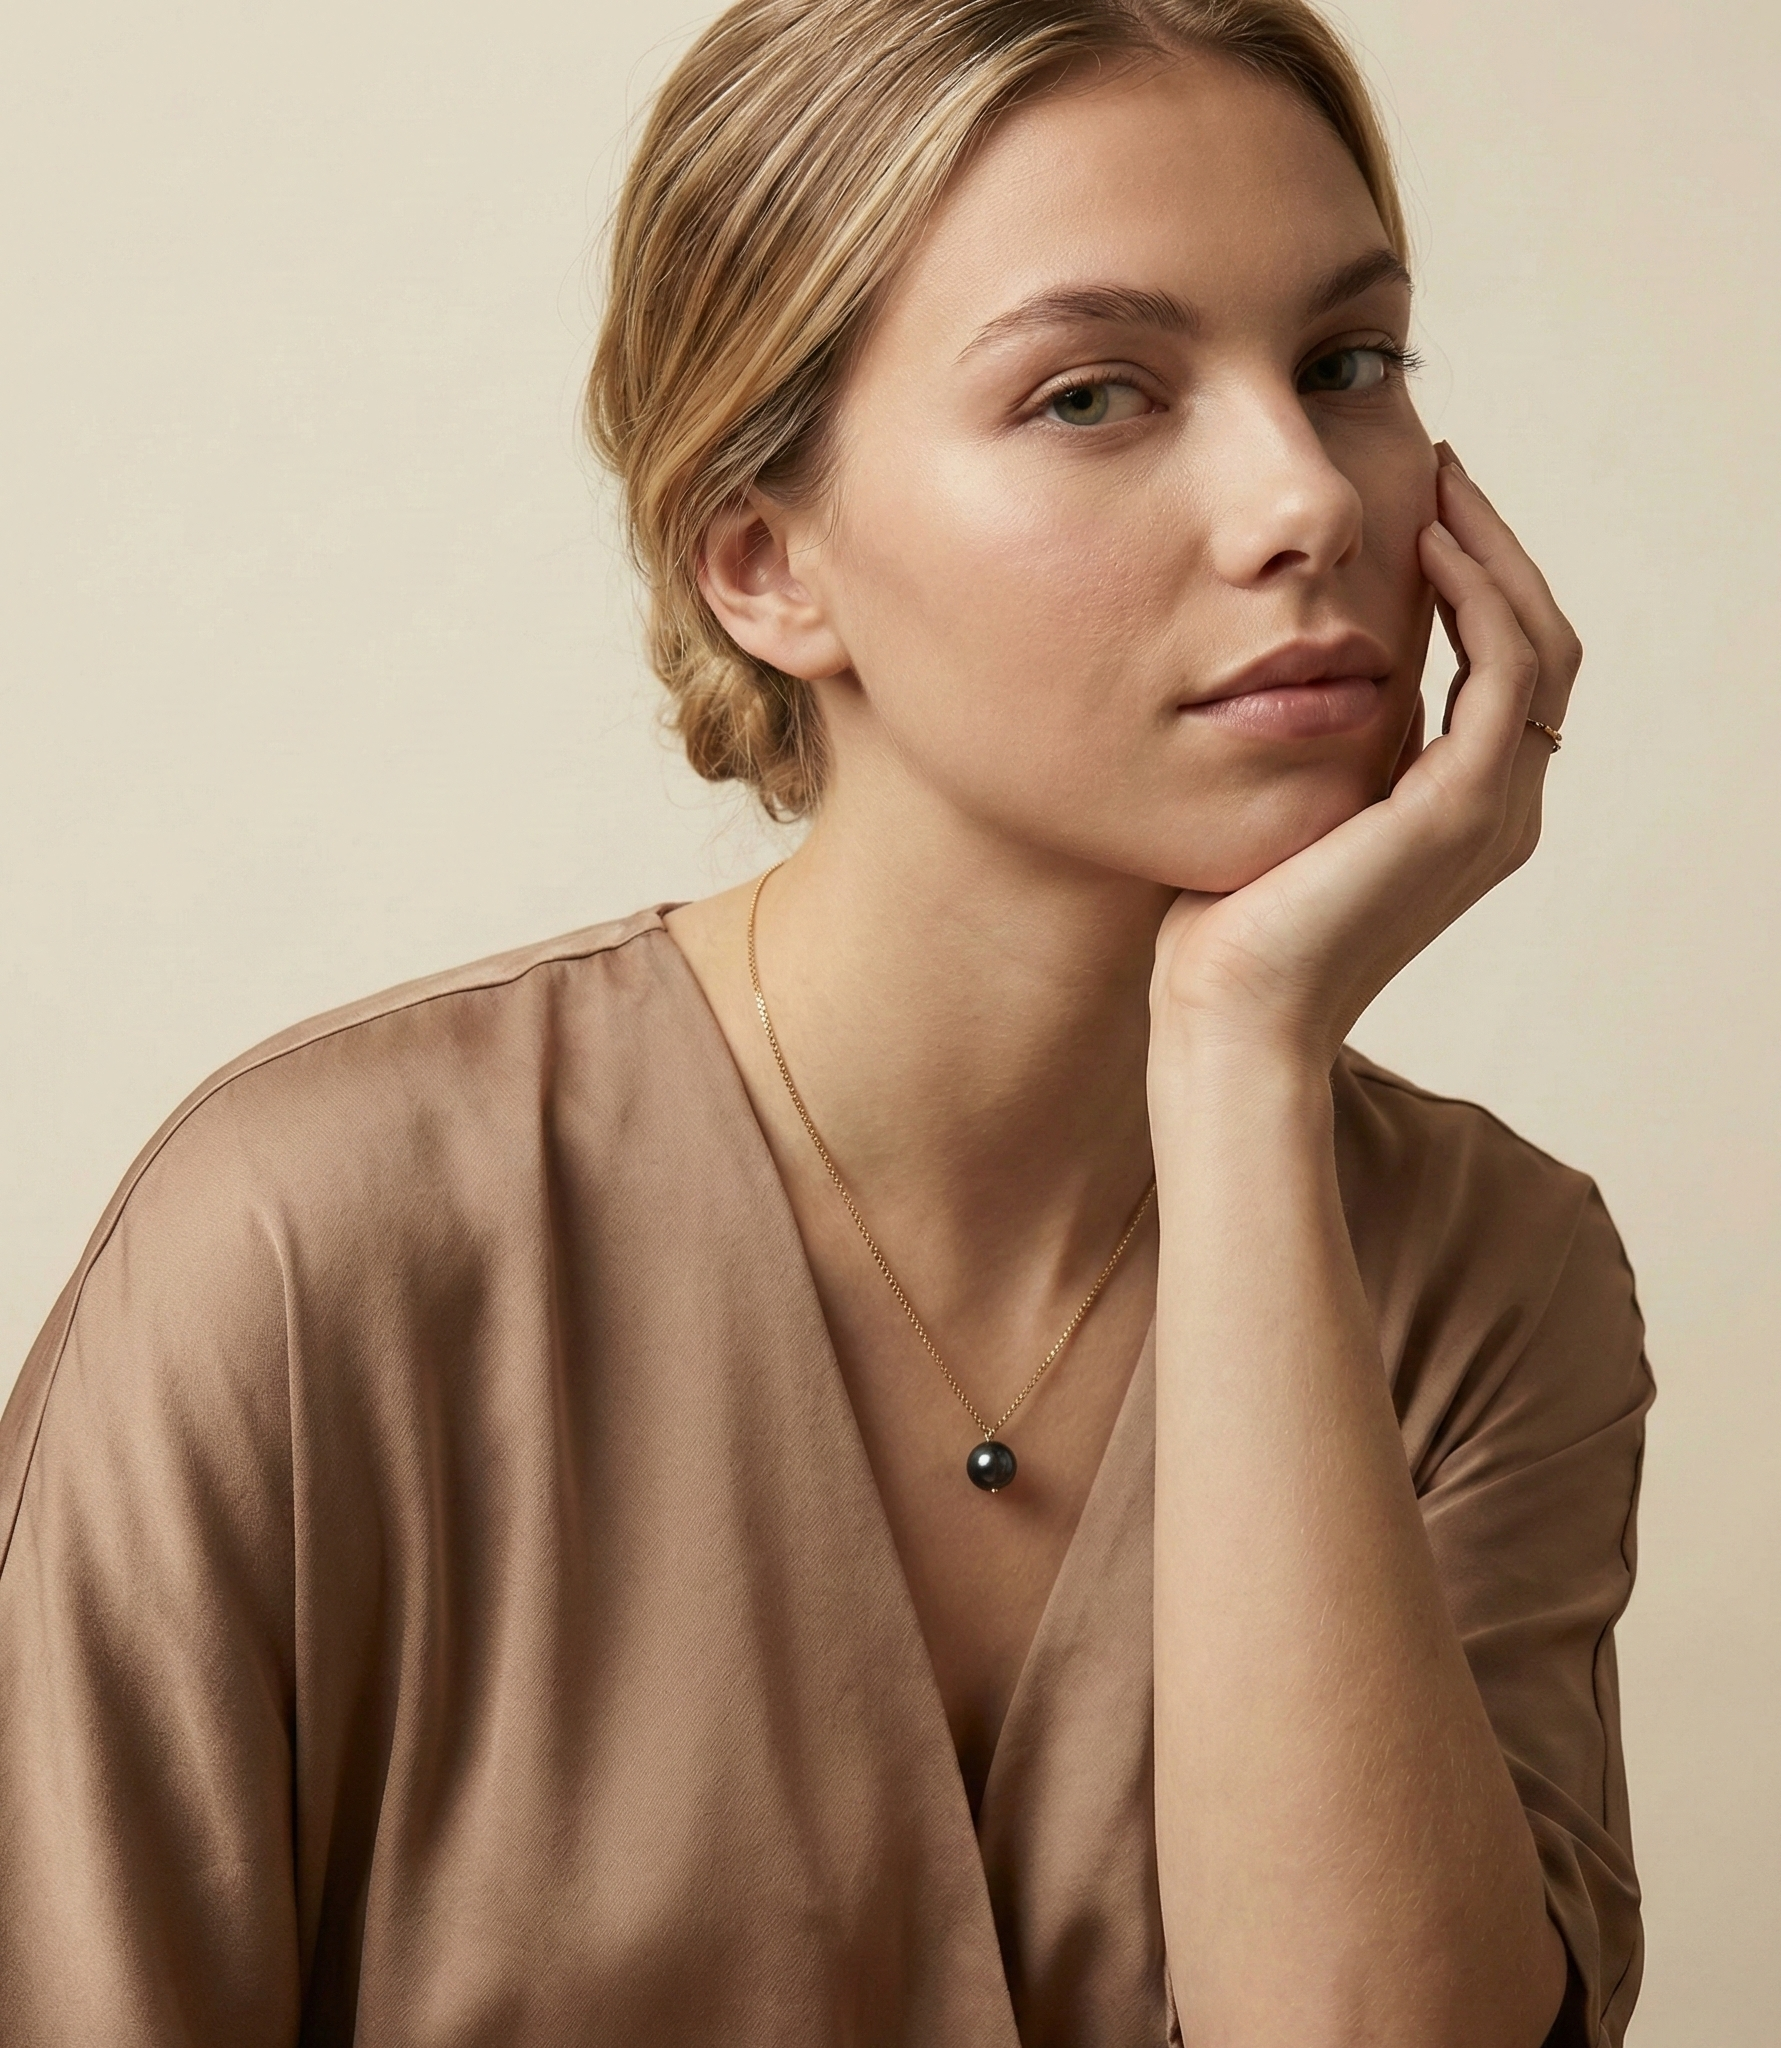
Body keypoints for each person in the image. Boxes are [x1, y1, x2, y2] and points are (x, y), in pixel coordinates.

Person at [0, 2, 1651, 2043]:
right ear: (765, 561)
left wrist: (1237, 1060)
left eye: (1345, 364)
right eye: (1092, 394)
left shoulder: (1489, 1281)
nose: (1302, 495)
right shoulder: (305, 1250)